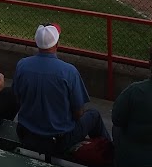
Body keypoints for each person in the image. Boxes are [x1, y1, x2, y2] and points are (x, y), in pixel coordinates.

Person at [12, 23, 111, 155]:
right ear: (57, 44)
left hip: (26, 135)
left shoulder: (22, 65)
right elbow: (78, 113)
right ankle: (109, 157)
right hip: (58, 142)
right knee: (94, 115)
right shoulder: (68, 71)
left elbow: (17, 98)